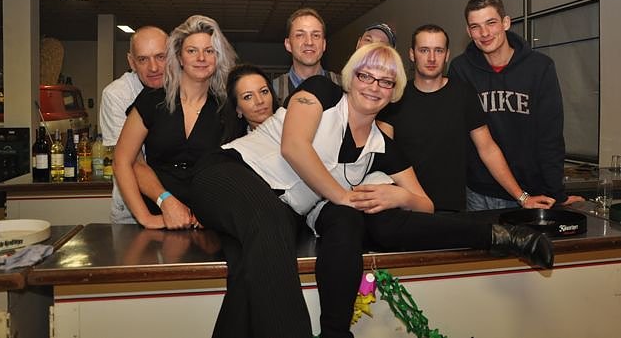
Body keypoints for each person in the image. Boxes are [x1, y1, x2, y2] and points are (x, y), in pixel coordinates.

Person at [190, 43, 553, 338]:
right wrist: (342, 195)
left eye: (385, 81)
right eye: (365, 76)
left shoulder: (383, 147)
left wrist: (401, 196)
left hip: (278, 209)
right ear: (351, 78)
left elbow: (425, 204)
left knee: (250, 272)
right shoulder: (320, 92)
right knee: (272, 224)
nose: (373, 86)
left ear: (395, 93)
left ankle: (502, 236)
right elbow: (294, 147)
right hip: (229, 173)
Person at [378, 24, 555, 212]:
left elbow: (487, 149)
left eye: (439, 50)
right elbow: (383, 155)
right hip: (406, 207)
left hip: (453, 210)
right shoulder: (394, 97)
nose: (431, 58)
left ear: (447, 55)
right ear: (412, 54)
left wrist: (522, 197)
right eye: (424, 50)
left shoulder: (463, 94)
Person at [449, 0, 584, 210]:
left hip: (531, 191)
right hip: (479, 192)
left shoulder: (540, 67)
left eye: (491, 23)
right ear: (468, 31)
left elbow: (550, 135)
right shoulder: (460, 69)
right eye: (475, 26)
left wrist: (556, 193)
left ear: (506, 22)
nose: (484, 33)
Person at [113, 15, 237, 229]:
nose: (201, 58)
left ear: (218, 58)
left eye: (209, 51)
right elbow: (122, 161)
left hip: (210, 223)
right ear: (179, 57)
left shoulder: (229, 108)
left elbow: (237, 171)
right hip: (160, 215)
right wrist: (147, 218)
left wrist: (216, 211)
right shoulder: (152, 100)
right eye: (192, 51)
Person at [99, 25, 168, 224]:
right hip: (133, 212)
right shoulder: (117, 95)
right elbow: (132, 162)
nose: (153, 67)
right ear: (132, 62)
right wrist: (165, 202)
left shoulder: (185, 89)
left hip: (178, 205)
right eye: (143, 59)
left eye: (160, 56)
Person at [273, 7, 341, 105]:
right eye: (300, 35)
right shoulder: (273, 91)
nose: (309, 42)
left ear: (324, 44)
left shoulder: (344, 86)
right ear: (288, 45)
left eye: (316, 35)